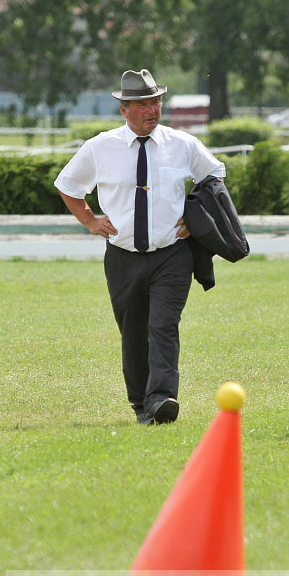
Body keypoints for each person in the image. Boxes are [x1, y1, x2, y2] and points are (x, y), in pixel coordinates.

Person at [54, 69, 226, 425]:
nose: (152, 109)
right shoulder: (100, 147)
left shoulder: (183, 144)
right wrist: (89, 220)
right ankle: (141, 404)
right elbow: (68, 186)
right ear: (124, 110)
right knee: (133, 334)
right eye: (143, 104)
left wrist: (196, 219)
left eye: (156, 101)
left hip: (172, 255)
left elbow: (216, 178)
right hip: (122, 258)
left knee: (163, 326)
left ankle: (163, 397)